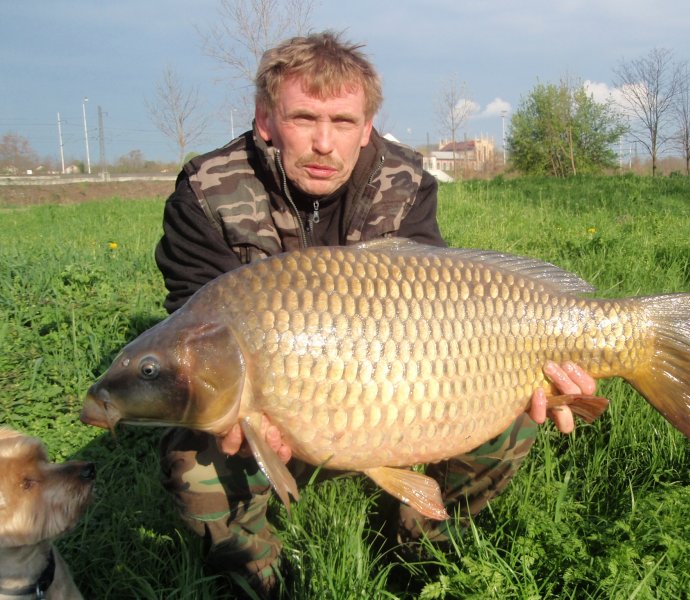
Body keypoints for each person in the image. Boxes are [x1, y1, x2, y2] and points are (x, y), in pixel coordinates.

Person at [154, 31, 597, 597]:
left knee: (509, 411)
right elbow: (193, 340)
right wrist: (243, 417)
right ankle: (261, 576)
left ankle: (418, 554)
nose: (324, 143)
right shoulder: (205, 194)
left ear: (366, 127)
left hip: (391, 387)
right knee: (192, 447)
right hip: (271, 394)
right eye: (303, 118)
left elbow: (441, 317)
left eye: (343, 122)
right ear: (265, 119)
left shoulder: (404, 183)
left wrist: (531, 374)